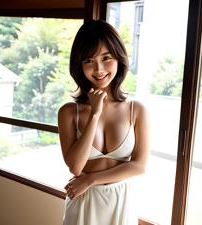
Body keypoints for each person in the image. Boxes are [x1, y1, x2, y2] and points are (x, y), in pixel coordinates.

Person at [58, 19, 150, 225]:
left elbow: (139, 166)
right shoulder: (69, 112)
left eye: (106, 58)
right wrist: (94, 114)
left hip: (121, 201)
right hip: (84, 203)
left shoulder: (137, 110)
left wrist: (90, 179)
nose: (99, 69)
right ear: (79, 65)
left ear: (119, 58)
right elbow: (75, 166)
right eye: (89, 61)